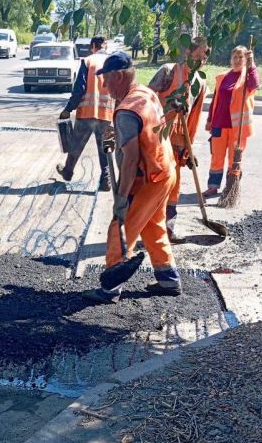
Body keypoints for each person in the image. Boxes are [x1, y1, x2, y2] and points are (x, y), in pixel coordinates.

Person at [84, 51, 181, 303]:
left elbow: (130, 161)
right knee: (153, 226)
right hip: (165, 171)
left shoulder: (127, 110)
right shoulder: (145, 94)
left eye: (106, 79)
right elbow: (144, 132)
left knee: (120, 228)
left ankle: (110, 289)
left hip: (149, 178)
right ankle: (168, 279)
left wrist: (122, 198)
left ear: (118, 76)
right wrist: (116, 136)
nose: (104, 86)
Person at [148, 36, 210, 242]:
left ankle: (168, 228)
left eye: (203, 57)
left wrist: (188, 150)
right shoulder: (168, 71)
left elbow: (193, 119)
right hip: (157, 137)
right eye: (197, 56)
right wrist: (170, 105)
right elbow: (145, 98)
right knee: (155, 184)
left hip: (177, 143)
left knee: (174, 187)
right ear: (187, 54)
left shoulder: (200, 83)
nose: (200, 61)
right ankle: (146, 229)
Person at [57, 36, 115, 192]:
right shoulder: (113, 62)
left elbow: (79, 89)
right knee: (106, 148)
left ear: (93, 46)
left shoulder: (88, 61)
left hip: (86, 113)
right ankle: (106, 180)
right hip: (107, 114)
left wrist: (68, 109)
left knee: (76, 144)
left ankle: (68, 172)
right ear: (105, 46)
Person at [203, 45, 259, 197]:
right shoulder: (222, 77)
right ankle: (213, 186)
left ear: (246, 59)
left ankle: (230, 187)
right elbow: (216, 99)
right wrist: (209, 120)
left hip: (238, 127)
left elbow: (255, 85)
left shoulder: (247, 77)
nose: (237, 60)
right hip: (219, 124)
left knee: (233, 159)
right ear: (230, 59)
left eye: (241, 57)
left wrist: (252, 65)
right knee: (216, 157)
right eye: (235, 57)